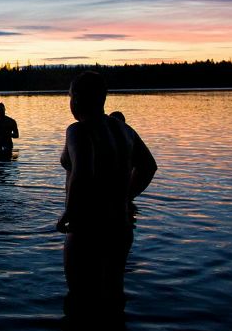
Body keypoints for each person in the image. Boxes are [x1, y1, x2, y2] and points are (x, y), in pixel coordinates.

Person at [57, 72, 157, 305]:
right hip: (119, 226)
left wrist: (70, 213)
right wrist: (125, 197)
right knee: (113, 295)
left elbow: (82, 171)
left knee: (80, 297)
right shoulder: (124, 130)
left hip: (87, 227)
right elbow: (148, 167)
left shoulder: (78, 130)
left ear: (77, 99)